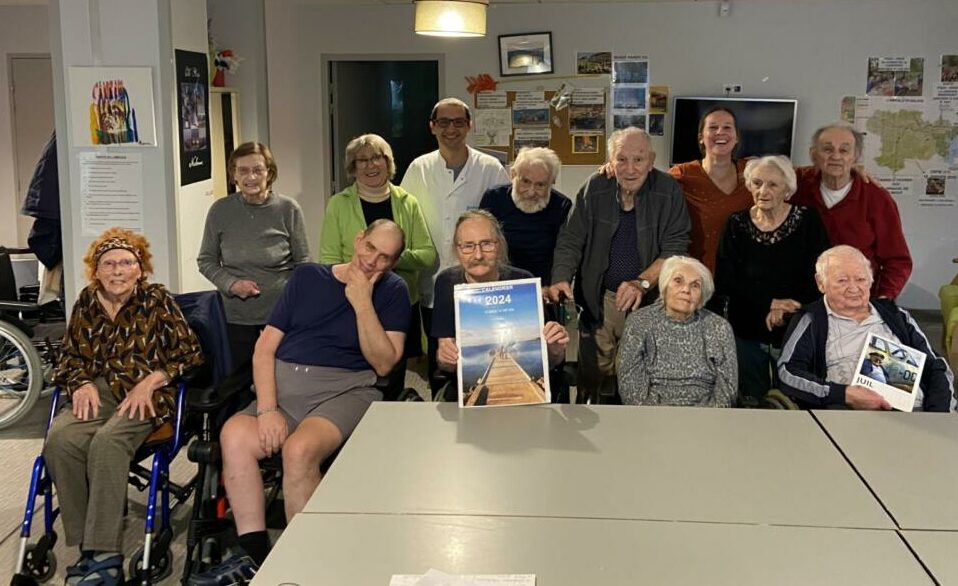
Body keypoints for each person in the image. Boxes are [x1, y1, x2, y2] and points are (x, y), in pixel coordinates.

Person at [192, 220, 410, 583]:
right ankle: (254, 554)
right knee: (234, 435)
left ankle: (302, 558)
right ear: (358, 239)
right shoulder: (308, 277)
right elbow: (264, 349)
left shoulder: (392, 291)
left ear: (394, 263)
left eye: (385, 257)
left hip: (346, 389)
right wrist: (267, 410)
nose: (373, 261)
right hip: (283, 383)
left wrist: (361, 303)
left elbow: (385, 362)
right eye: (370, 247)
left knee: (298, 450)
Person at [45, 227, 203, 585]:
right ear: (96, 270)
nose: (117, 270)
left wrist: (151, 381)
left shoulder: (157, 300)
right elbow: (69, 357)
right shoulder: (86, 301)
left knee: (108, 442)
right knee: (60, 440)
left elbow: (190, 355)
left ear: (140, 268)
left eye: (126, 263)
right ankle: (87, 544)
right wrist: (81, 381)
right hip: (98, 389)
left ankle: (105, 555)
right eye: (109, 263)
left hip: (145, 392)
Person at [549, 127, 691, 403]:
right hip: (600, 300)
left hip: (650, 303)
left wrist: (641, 282)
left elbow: (675, 248)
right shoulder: (596, 186)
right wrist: (561, 276)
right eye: (621, 159)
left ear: (651, 161)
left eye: (638, 160)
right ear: (611, 162)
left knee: (640, 375)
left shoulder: (667, 190)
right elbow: (571, 238)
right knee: (593, 376)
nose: (630, 168)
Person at [399, 97, 509, 391]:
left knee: (489, 356)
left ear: (469, 125)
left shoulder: (491, 167)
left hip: (482, 281)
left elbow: (503, 223)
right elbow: (405, 220)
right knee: (442, 358)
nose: (451, 129)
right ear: (432, 127)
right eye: (444, 122)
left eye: (459, 122)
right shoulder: (418, 168)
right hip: (435, 280)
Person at [320, 133, 436, 397]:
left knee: (392, 375)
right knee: (355, 375)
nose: (370, 166)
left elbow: (428, 254)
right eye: (362, 160)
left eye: (376, 158)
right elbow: (327, 259)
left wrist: (387, 259)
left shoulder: (408, 202)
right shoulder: (338, 204)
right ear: (353, 167)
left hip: (397, 301)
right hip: (352, 300)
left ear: (388, 162)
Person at [778, 245, 954, 411]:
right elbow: (788, 373)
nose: (854, 287)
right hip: (848, 414)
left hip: (917, 411)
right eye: (842, 280)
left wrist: (937, 413)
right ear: (821, 283)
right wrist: (843, 394)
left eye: (861, 279)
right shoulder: (811, 319)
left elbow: (935, 366)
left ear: (870, 281)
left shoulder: (896, 316)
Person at [714, 155, 830, 403]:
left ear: (787, 189)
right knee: (751, 399)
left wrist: (787, 308)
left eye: (772, 185)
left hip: (796, 326)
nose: (762, 191)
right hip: (747, 328)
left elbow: (820, 276)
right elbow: (726, 281)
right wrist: (769, 303)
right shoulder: (735, 224)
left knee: (794, 399)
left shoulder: (808, 220)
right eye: (757, 183)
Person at [431, 210, 569, 401]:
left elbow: (552, 361)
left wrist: (555, 349)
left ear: (500, 245)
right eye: (468, 246)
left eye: (486, 244)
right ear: (456, 249)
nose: (478, 255)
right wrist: (445, 356)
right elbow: (444, 363)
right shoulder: (446, 283)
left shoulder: (523, 282)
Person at [198, 142, 310, 371]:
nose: (251, 177)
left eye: (258, 170)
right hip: (235, 316)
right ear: (234, 176)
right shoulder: (220, 210)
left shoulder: (289, 209)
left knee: (282, 380)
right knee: (240, 381)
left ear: (270, 173)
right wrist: (232, 284)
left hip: (280, 315)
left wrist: (295, 304)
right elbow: (206, 260)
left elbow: (304, 263)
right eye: (243, 171)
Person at [791, 123, 912, 299]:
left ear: (855, 157)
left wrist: (883, 299)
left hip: (857, 300)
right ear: (813, 154)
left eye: (844, 151)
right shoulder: (796, 187)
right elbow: (765, 169)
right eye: (827, 149)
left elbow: (898, 260)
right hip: (803, 298)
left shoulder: (876, 197)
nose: (835, 156)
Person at [617, 256, 737, 407]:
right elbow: (630, 386)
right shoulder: (639, 322)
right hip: (651, 417)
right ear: (665, 288)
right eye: (678, 281)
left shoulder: (719, 327)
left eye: (695, 285)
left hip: (706, 418)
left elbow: (727, 389)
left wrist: (707, 417)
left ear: (702, 298)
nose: (686, 289)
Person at [668, 107, 753, 273]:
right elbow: (646, 181)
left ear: (737, 138)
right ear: (701, 138)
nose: (720, 132)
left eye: (727, 127)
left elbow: (792, 175)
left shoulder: (753, 171)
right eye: (713, 127)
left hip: (744, 276)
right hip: (696, 276)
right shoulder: (683, 174)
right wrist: (615, 167)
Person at [479, 147, 572, 284]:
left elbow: (565, 252)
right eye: (525, 182)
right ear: (513, 175)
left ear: (552, 183)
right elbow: (481, 243)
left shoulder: (561, 206)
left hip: (543, 287)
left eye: (540, 185)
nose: (531, 192)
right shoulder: (494, 198)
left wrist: (557, 283)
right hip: (498, 283)